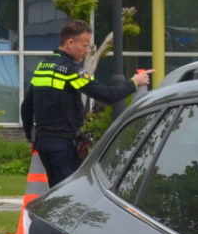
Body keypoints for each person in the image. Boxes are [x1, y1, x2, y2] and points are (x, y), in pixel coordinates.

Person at [21, 19, 148, 183]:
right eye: (84, 45)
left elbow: (26, 107)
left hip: (44, 143)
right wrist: (134, 82)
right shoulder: (71, 70)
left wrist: (32, 138)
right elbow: (107, 95)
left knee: (56, 192)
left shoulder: (43, 66)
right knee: (68, 195)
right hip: (64, 145)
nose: (87, 51)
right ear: (70, 42)